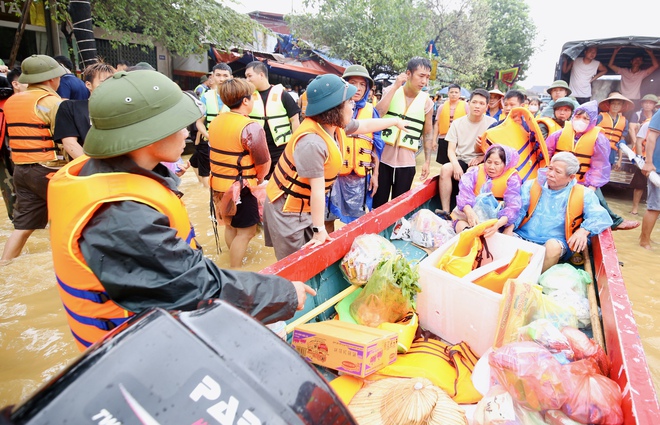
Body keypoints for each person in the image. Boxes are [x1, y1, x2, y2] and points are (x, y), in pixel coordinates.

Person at [46, 70, 315, 351]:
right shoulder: (119, 213)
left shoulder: (101, 174)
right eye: (178, 124)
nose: (187, 132)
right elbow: (191, 286)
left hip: (152, 335)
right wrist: (281, 293)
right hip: (132, 353)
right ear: (148, 135)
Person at [263, 74, 407, 260]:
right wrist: (319, 229)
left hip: (304, 206)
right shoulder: (312, 142)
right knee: (294, 264)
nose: (353, 105)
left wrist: (395, 122)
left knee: (310, 256)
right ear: (334, 108)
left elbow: (365, 125)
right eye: (348, 102)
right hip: (287, 209)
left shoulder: (333, 125)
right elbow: (317, 190)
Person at [0, 55, 65, 262]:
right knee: (67, 220)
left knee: (23, 227)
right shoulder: (52, 102)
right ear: (51, 78)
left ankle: (5, 265)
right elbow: (65, 139)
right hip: (49, 170)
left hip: (21, 170)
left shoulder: (12, 101)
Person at [546, 100, 639, 231]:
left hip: (582, 180)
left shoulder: (598, 139)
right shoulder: (559, 134)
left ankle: (613, 220)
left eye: (585, 118)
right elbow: (546, 153)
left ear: (593, 120)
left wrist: (592, 186)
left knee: (596, 196)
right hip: (558, 176)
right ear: (573, 117)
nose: (580, 120)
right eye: (578, 116)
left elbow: (599, 166)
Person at [514, 152, 612, 272]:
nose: (550, 174)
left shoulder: (584, 194)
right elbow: (517, 210)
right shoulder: (531, 185)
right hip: (522, 235)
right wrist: (509, 227)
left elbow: (601, 217)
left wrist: (583, 230)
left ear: (571, 177)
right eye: (550, 168)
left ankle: (533, 279)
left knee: (553, 247)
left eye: (557, 172)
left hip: (556, 241)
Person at [209, 78, 270, 268]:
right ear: (245, 101)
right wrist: (259, 179)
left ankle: (230, 262)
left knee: (231, 226)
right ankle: (235, 271)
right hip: (240, 188)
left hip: (218, 185)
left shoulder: (216, 121)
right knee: (247, 232)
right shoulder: (250, 127)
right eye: (252, 97)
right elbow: (263, 161)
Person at [326, 65, 384, 228]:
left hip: (358, 177)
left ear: (367, 88)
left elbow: (376, 147)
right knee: (326, 219)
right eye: (353, 83)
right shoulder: (332, 109)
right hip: (333, 174)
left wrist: (375, 175)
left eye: (362, 84)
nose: (357, 89)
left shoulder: (372, 111)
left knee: (355, 223)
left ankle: (349, 252)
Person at [373, 57, 434, 209]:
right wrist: (394, 87)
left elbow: (427, 133)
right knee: (377, 202)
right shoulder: (391, 91)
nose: (424, 81)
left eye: (427, 77)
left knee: (399, 207)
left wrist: (427, 161)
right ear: (408, 74)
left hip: (407, 161)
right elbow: (378, 113)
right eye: (421, 76)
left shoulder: (427, 102)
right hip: (383, 157)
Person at [438, 89, 496, 213]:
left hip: (481, 162)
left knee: (472, 171)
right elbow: (451, 150)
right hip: (461, 159)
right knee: (445, 169)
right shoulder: (457, 123)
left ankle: (469, 212)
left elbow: (494, 149)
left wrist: (482, 158)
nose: (477, 106)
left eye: (481, 103)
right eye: (474, 102)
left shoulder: (492, 123)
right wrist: (456, 165)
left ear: (487, 106)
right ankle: (446, 211)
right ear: (469, 103)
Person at [480, 90, 549, 184]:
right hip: (501, 176)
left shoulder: (531, 129)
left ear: (522, 106)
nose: (508, 108)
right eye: (506, 104)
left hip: (526, 177)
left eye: (512, 105)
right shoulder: (495, 127)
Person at [245, 61, 300, 177]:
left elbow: (295, 120)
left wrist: (296, 146)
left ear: (261, 75)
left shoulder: (282, 94)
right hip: (257, 149)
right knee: (258, 181)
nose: (247, 80)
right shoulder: (247, 97)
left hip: (280, 148)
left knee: (281, 180)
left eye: (250, 76)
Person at [452, 144, 521, 235]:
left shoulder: (512, 179)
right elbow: (464, 195)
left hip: (496, 221)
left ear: (505, 164)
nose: (491, 167)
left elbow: (513, 208)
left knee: (494, 236)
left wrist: (497, 224)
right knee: (461, 226)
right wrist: (469, 213)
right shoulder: (474, 172)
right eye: (488, 162)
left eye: (497, 163)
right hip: (471, 215)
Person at [53, 62, 116, 161]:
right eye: (103, 82)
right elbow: (70, 143)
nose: (109, 87)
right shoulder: (70, 107)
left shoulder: (122, 109)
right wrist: (91, 166)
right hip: (86, 169)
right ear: (88, 85)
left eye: (113, 83)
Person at [193, 63, 233, 188]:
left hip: (232, 142)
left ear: (231, 77)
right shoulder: (205, 97)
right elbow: (199, 122)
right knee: (210, 172)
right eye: (218, 75)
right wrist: (206, 135)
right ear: (212, 77)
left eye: (225, 76)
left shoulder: (236, 95)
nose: (221, 79)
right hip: (211, 142)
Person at [433, 83, 469, 165]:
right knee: (444, 164)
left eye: (456, 92)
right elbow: (437, 124)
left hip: (460, 139)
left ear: (460, 94)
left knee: (458, 163)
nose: (454, 94)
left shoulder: (466, 106)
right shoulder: (442, 107)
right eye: (452, 92)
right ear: (448, 93)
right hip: (444, 138)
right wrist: (434, 140)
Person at [640, 109, 660, 249]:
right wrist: (648, 162)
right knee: (655, 207)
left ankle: (645, 237)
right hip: (658, 167)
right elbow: (651, 137)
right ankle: (644, 241)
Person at [596, 92, 632, 168]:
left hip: (612, 152)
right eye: (613, 103)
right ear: (608, 105)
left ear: (622, 106)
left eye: (619, 104)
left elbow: (621, 142)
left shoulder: (625, 121)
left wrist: (619, 160)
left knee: (606, 176)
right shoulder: (600, 117)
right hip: (598, 150)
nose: (616, 106)